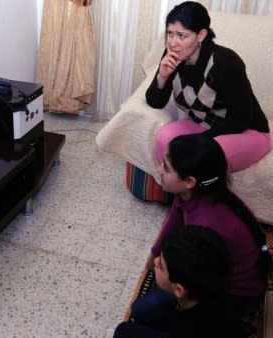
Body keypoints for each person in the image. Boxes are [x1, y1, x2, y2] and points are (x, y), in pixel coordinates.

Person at [132, 133, 269, 327]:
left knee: (146, 311)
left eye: (167, 168)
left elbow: (199, 283)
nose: (159, 169)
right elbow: (173, 223)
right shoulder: (190, 194)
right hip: (212, 271)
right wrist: (154, 254)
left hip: (235, 295)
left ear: (190, 181)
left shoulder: (209, 225)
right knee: (145, 307)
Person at [146, 1, 270, 172]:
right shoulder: (172, 55)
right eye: (170, 33)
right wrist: (162, 76)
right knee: (164, 138)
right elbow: (155, 102)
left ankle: (198, 198)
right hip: (205, 125)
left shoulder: (225, 62)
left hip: (247, 131)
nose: (173, 42)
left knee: (205, 154)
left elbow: (241, 119)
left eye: (182, 35)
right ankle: (177, 193)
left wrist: (198, 141)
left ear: (201, 35)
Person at [114, 225, 246, 338]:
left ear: (179, 290)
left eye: (160, 265)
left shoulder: (186, 330)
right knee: (142, 308)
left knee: (124, 331)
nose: (155, 262)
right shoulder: (217, 285)